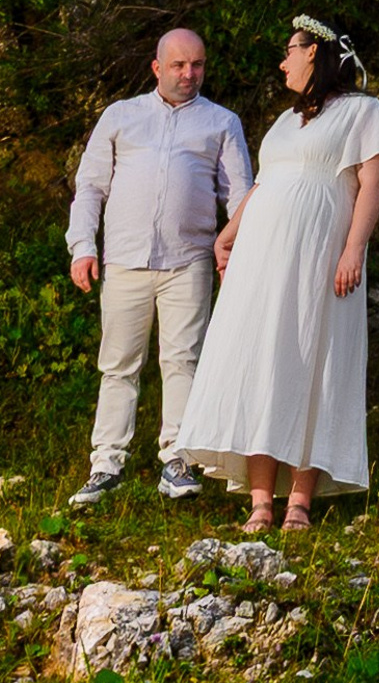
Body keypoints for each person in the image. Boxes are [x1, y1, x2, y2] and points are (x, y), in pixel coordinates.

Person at [172, 14, 379, 531]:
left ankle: (299, 502)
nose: (282, 62)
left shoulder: (364, 113)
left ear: (315, 52)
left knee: (311, 359)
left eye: (289, 51)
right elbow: (268, 182)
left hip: (319, 256)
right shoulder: (285, 121)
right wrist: (230, 231)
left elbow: (373, 184)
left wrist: (353, 250)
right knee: (261, 361)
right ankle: (260, 503)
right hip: (263, 256)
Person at [65, 25, 252, 508]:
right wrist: (82, 246)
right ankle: (106, 462)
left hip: (189, 260)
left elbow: (240, 195)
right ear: (156, 68)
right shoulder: (120, 117)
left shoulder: (221, 122)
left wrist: (242, 251)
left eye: (198, 65)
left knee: (183, 359)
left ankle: (179, 456)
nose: (190, 74)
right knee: (118, 364)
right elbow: (91, 186)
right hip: (124, 259)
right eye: (179, 65)